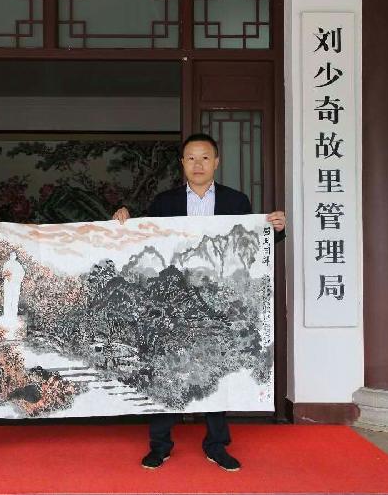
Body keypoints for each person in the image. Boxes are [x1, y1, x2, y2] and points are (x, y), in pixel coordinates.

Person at [112, 133, 286, 472]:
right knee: (167, 368)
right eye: (191, 158)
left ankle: (216, 445)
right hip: (174, 298)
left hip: (217, 299)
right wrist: (124, 220)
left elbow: (253, 242)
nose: (198, 164)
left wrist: (276, 229)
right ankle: (160, 445)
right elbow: (142, 238)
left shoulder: (236, 201)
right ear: (182, 163)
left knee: (213, 367)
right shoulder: (165, 202)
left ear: (216, 162)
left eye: (205, 157)